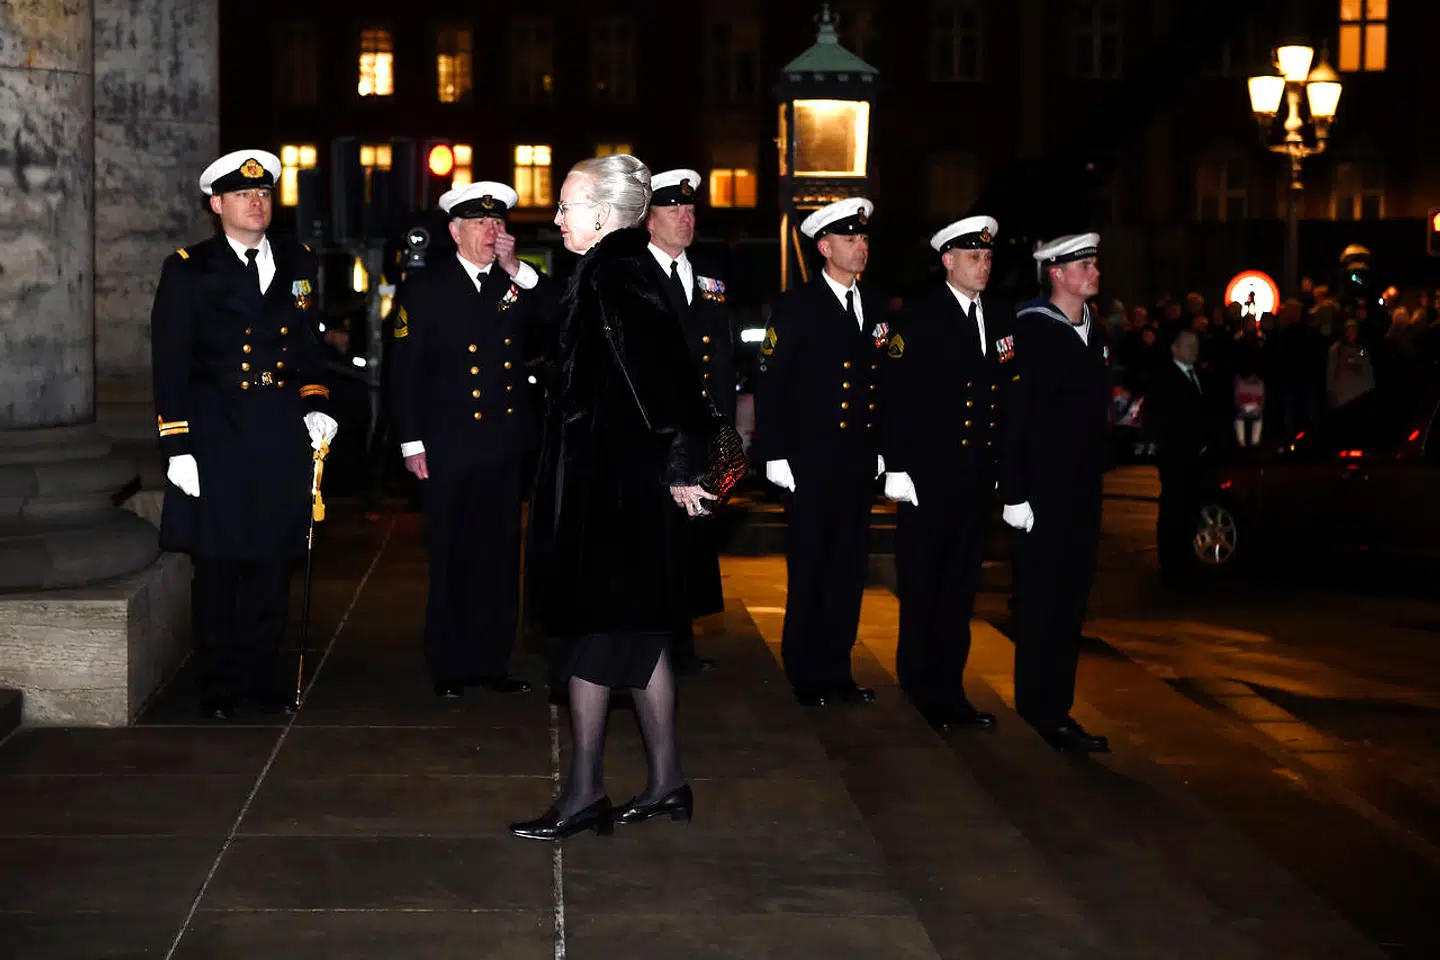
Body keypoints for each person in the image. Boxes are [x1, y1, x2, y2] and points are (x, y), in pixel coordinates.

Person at [513, 154, 719, 842]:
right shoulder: (616, 270)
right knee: (643, 639)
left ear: (602, 215)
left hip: (615, 500)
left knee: (591, 644)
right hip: (628, 490)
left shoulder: (613, 274)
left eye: (568, 206)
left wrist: (685, 465)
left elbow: (664, 379)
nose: (558, 217)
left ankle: (585, 794)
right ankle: (667, 783)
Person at [150, 150, 338, 720]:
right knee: (219, 567)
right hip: (217, 438)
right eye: (242, 196)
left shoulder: (298, 261)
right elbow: (170, 362)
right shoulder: (189, 268)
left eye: (262, 195)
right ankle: (218, 686)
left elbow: (308, 349)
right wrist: (177, 445)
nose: (256, 204)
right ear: (217, 205)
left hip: (279, 437)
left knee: (271, 564)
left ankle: (260, 679)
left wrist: (316, 405)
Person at [389, 181, 556, 700]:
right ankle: (450, 665)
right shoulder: (426, 286)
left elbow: (559, 316)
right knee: (454, 554)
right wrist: (410, 441)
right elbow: (404, 370)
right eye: (481, 224)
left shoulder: (513, 285)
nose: (492, 232)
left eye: (498, 224)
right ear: (455, 230)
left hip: (503, 444)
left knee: (501, 556)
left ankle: (491, 661)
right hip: (447, 444)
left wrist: (519, 270)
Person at [753, 197, 887, 708]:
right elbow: (771, 380)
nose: (861, 247)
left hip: (855, 461)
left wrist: (881, 449)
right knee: (811, 564)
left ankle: (838, 667)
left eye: (864, 239)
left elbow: (881, 382)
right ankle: (806, 671)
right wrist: (775, 453)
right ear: (825, 247)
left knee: (849, 568)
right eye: (851, 240)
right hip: (810, 461)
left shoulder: (873, 308)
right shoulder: (798, 306)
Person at [881, 215, 1011, 733]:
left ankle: (950, 688)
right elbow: (895, 395)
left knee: (959, 588)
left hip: (974, 477)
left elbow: (999, 397)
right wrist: (897, 466)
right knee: (923, 583)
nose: (983, 265)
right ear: (948, 261)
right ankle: (919, 685)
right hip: (929, 477)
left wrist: (1001, 464)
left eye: (988, 257)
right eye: (973, 257)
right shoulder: (919, 317)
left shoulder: (999, 317)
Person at [998, 233, 1111, 753]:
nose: (1094, 272)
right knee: (1041, 603)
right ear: (1058, 274)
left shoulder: (1093, 331)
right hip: (1042, 493)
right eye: (1084, 265)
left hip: (1082, 493)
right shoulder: (1033, 331)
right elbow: (1014, 415)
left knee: (1070, 604)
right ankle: (1038, 710)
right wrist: (1015, 491)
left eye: (1093, 264)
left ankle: (1056, 707)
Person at [645, 168, 737, 675]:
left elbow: (719, 359)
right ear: (649, 219)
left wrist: (724, 430)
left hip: (699, 433)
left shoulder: (710, 279)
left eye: (690, 210)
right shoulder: (636, 275)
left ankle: (680, 646)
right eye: (674, 210)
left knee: (689, 545)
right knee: (653, 544)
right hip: (656, 436)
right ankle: (653, 648)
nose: (685, 218)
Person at [1149, 329, 1218, 581]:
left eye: (1196, 345)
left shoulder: (1197, 375)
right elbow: (1164, 418)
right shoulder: (1167, 379)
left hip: (1194, 456)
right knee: (1173, 509)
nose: (1194, 350)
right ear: (1174, 349)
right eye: (1188, 345)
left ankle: (1184, 559)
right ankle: (1170, 563)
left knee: (1189, 509)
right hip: (1176, 456)